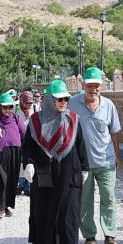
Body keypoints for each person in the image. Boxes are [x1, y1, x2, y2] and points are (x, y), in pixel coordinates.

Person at [22, 79, 89, 244]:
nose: (64, 102)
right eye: (59, 99)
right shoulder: (36, 121)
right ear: (50, 100)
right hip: (44, 180)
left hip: (69, 179)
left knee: (68, 217)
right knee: (45, 214)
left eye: (66, 99)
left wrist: (85, 168)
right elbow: (28, 147)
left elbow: (81, 146)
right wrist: (28, 163)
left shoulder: (73, 120)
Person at [68, 67, 121, 244]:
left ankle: (110, 234)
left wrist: (116, 155)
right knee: (85, 201)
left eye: (97, 86)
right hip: (82, 164)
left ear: (101, 85)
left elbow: (114, 132)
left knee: (109, 198)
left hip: (106, 161)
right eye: (90, 86)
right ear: (83, 85)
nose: (93, 89)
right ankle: (89, 235)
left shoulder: (109, 105)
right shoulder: (73, 104)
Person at [15, 91, 34, 196]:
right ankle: (21, 185)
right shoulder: (16, 111)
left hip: (31, 140)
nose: (28, 105)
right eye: (26, 103)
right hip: (20, 141)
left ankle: (28, 186)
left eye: (30, 103)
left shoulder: (35, 110)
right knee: (20, 163)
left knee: (30, 162)